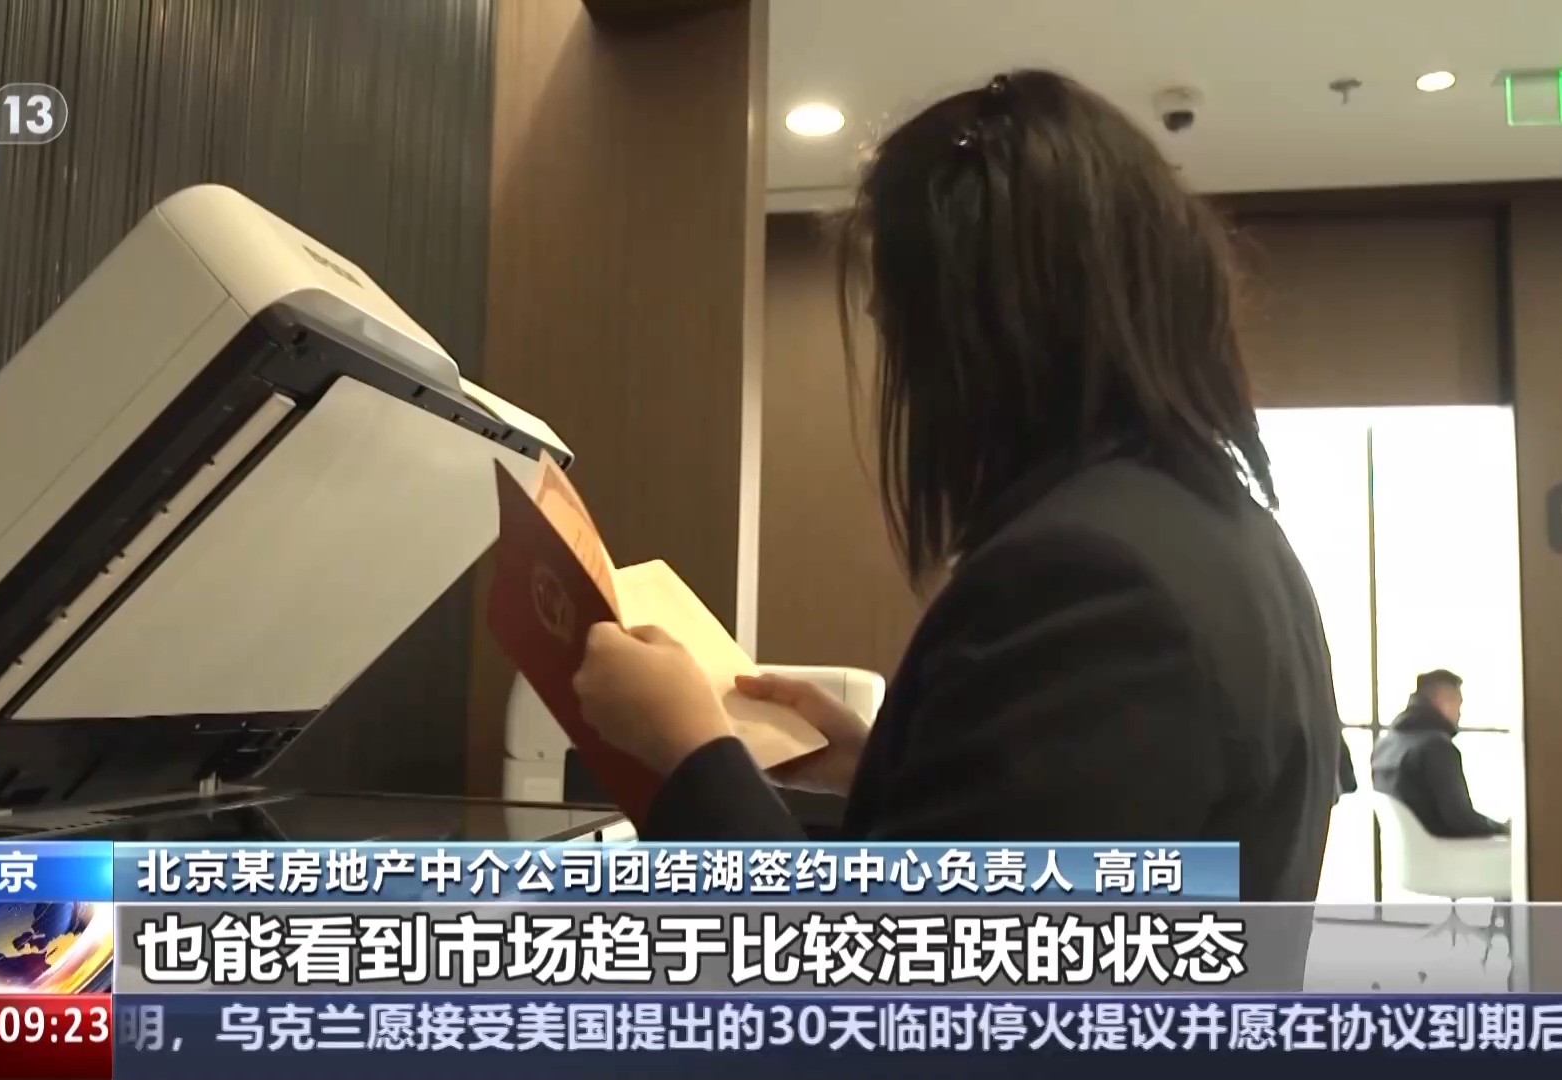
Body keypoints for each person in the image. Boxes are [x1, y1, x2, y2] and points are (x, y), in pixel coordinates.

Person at [572, 69, 1341, 903]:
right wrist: (887, 769)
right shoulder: (1227, 535)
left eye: (904, 328)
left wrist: (690, 755)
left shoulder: (1091, 580)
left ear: (984, 328)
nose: (903, 373)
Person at [1371, 670, 1508, 838]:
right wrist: (1506, 830)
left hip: (1407, 850)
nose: (1460, 713)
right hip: (1443, 850)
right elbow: (1460, 819)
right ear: (1442, 699)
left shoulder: (1385, 745)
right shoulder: (1436, 747)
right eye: (1458, 704)